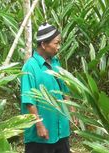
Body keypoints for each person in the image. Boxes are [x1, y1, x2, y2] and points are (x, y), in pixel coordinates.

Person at [21, 23, 74, 153]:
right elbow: (29, 100)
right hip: (41, 134)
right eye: (56, 43)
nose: (59, 47)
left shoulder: (56, 62)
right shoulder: (30, 67)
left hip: (61, 129)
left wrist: (71, 109)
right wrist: (39, 125)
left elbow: (64, 88)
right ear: (44, 44)